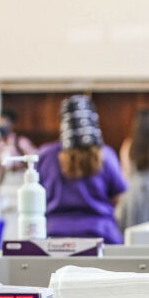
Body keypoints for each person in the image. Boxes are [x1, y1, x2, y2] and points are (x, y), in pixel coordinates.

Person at [36, 95, 127, 243]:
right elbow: (117, 196)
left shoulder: (45, 155)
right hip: (101, 235)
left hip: (54, 237)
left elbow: (36, 196)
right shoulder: (106, 155)